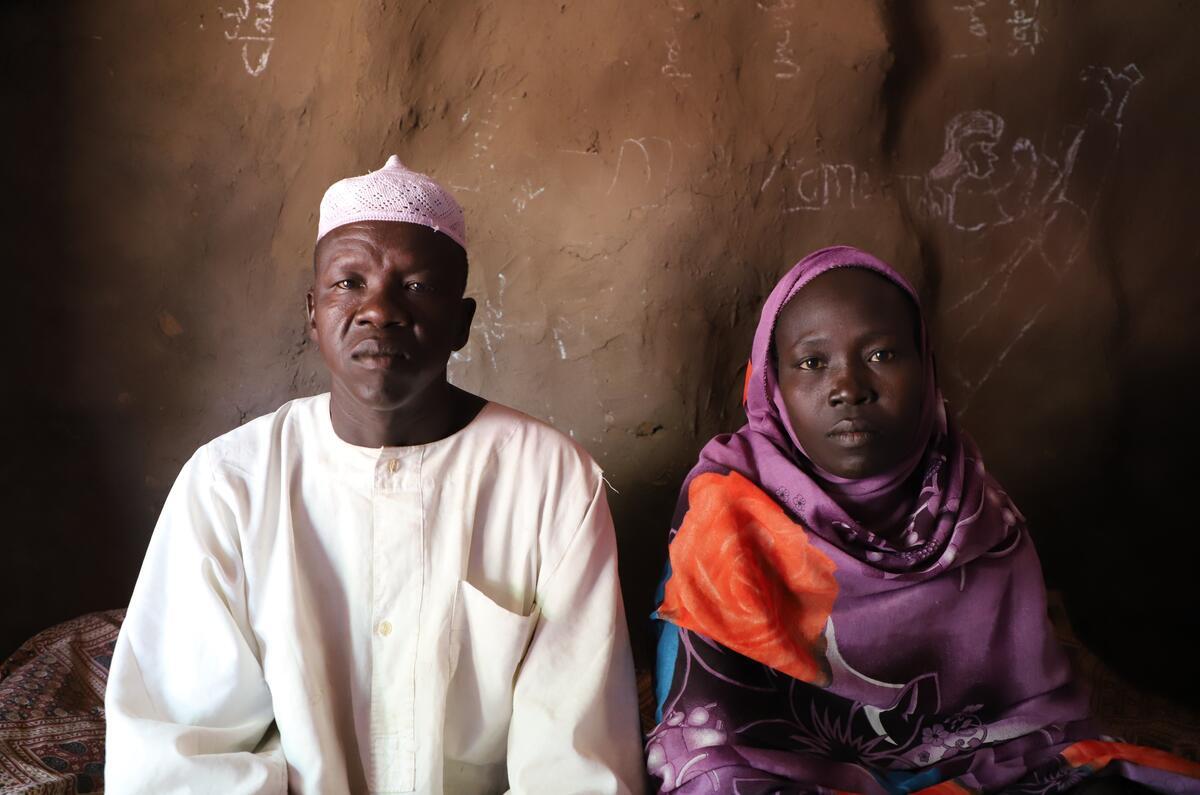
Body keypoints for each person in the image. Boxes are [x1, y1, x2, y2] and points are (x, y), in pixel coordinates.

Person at [105, 156, 646, 794]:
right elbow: (181, 752)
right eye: (349, 282)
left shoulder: (551, 481)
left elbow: (572, 762)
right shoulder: (229, 483)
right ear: (313, 314)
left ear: (462, 323)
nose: (379, 311)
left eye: (415, 286)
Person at [646, 246, 1200, 794]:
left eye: (882, 355)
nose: (849, 388)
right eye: (813, 363)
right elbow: (702, 740)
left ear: (926, 368)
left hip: (979, 764)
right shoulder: (726, 509)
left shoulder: (971, 507)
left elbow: (1036, 722)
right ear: (771, 383)